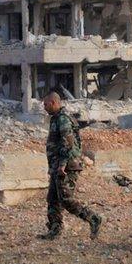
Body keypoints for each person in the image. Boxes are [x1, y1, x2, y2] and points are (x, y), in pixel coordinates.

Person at [39, 92, 102, 240]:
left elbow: (68, 144)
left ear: (54, 102)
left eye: (46, 104)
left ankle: (93, 218)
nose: (44, 107)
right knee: (53, 199)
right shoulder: (55, 119)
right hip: (57, 166)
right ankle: (55, 229)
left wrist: (61, 165)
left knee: (66, 199)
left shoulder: (63, 119)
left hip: (67, 167)